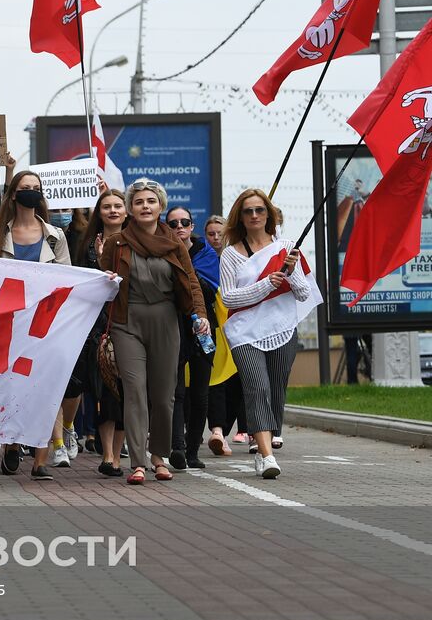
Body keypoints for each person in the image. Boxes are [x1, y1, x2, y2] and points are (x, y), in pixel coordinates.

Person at [99, 180, 209, 485]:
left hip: (166, 319)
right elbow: (103, 284)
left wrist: (200, 314)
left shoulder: (174, 243)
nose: (145, 206)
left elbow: (191, 281)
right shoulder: (116, 243)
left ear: (159, 206)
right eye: (138, 202)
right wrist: (106, 279)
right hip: (127, 321)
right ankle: (138, 462)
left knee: (163, 396)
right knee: (134, 392)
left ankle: (158, 457)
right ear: (130, 209)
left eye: (151, 201)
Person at [219, 189, 311, 480]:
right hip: (244, 332)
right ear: (240, 217)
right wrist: (265, 285)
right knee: (256, 387)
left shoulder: (286, 247)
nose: (255, 216)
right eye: (248, 211)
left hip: (282, 327)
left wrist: (292, 272)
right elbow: (229, 298)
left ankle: (262, 447)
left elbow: (304, 293)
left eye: (260, 210)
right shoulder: (231, 254)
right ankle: (268, 455)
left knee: (275, 388)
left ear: (269, 215)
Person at [0, 170, 73, 480]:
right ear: (13, 195)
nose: (32, 193)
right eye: (26, 188)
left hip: (44, 321)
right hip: (10, 322)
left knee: (44, 387)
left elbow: (66, 277)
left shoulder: (55, 235)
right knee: (13, 386)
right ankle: (12, 442)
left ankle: (40, 460)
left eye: (36, 188)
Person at [78, 190, 127, 475]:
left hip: (129, 323)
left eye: (117, 206)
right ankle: (107, 455)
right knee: (103, 388)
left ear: (125, 211)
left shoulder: (135, 242)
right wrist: (99, 262)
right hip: (98, 326)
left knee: (125, 393)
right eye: (106, 206)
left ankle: (119, 453)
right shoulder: (87, 246)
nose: (112, 211)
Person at [167, 204, 218, 471]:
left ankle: (193, 449)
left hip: (202, 328)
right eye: (173, 224)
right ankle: (177, 447)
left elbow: (210, 292)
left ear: (192, 227)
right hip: (172, 326)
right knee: (175, 391)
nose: (179, 228)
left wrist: (187, 273)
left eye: (184, 223)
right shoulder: (162, 251)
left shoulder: (206, 253)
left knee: (200, 392)